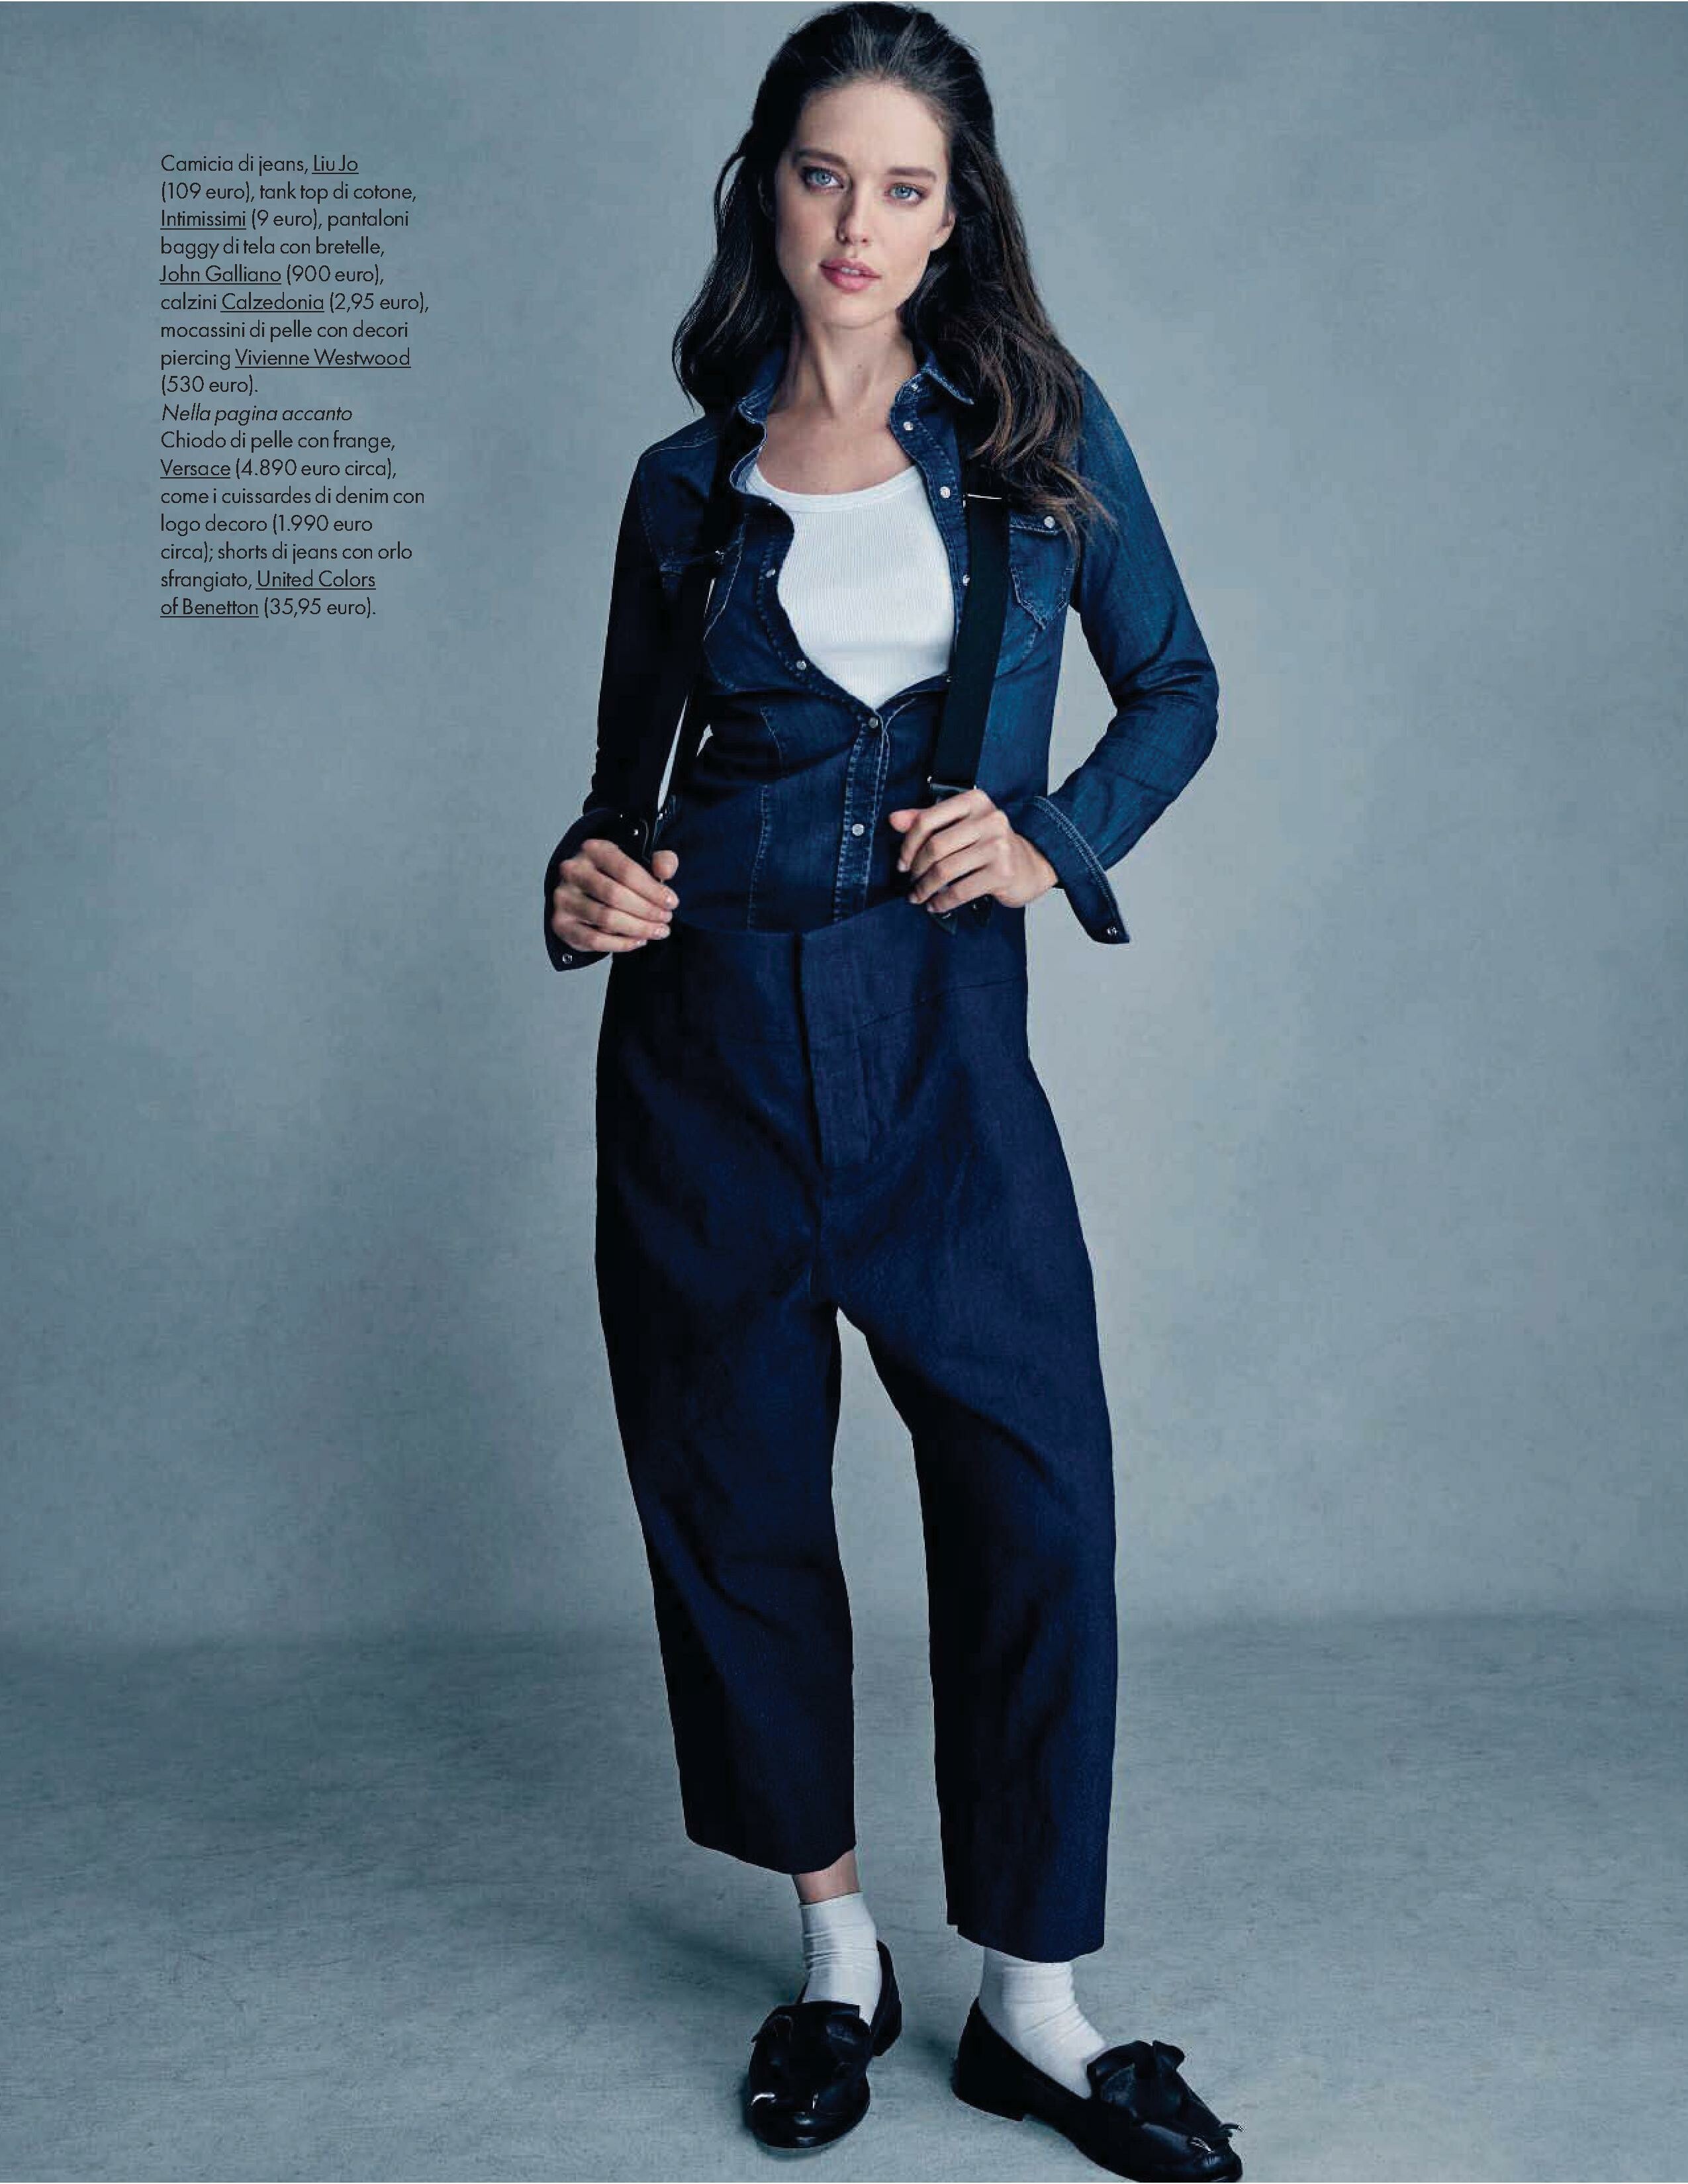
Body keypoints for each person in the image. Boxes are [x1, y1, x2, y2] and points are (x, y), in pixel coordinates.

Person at [542, 8, 1242, 2177]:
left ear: (958, 217)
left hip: (945, 1056)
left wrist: (1050, 838)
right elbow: (620, 802)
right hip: (705, 1070)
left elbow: (1178, 686)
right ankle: (834, 1958)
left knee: (1036, 1490)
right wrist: (581, 885)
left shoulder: (1034, 438)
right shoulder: (683, 489)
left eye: (907, 184)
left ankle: (1032, 2003)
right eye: (825, 171)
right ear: (769, 184)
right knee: (739, 1505)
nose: (861, 221)